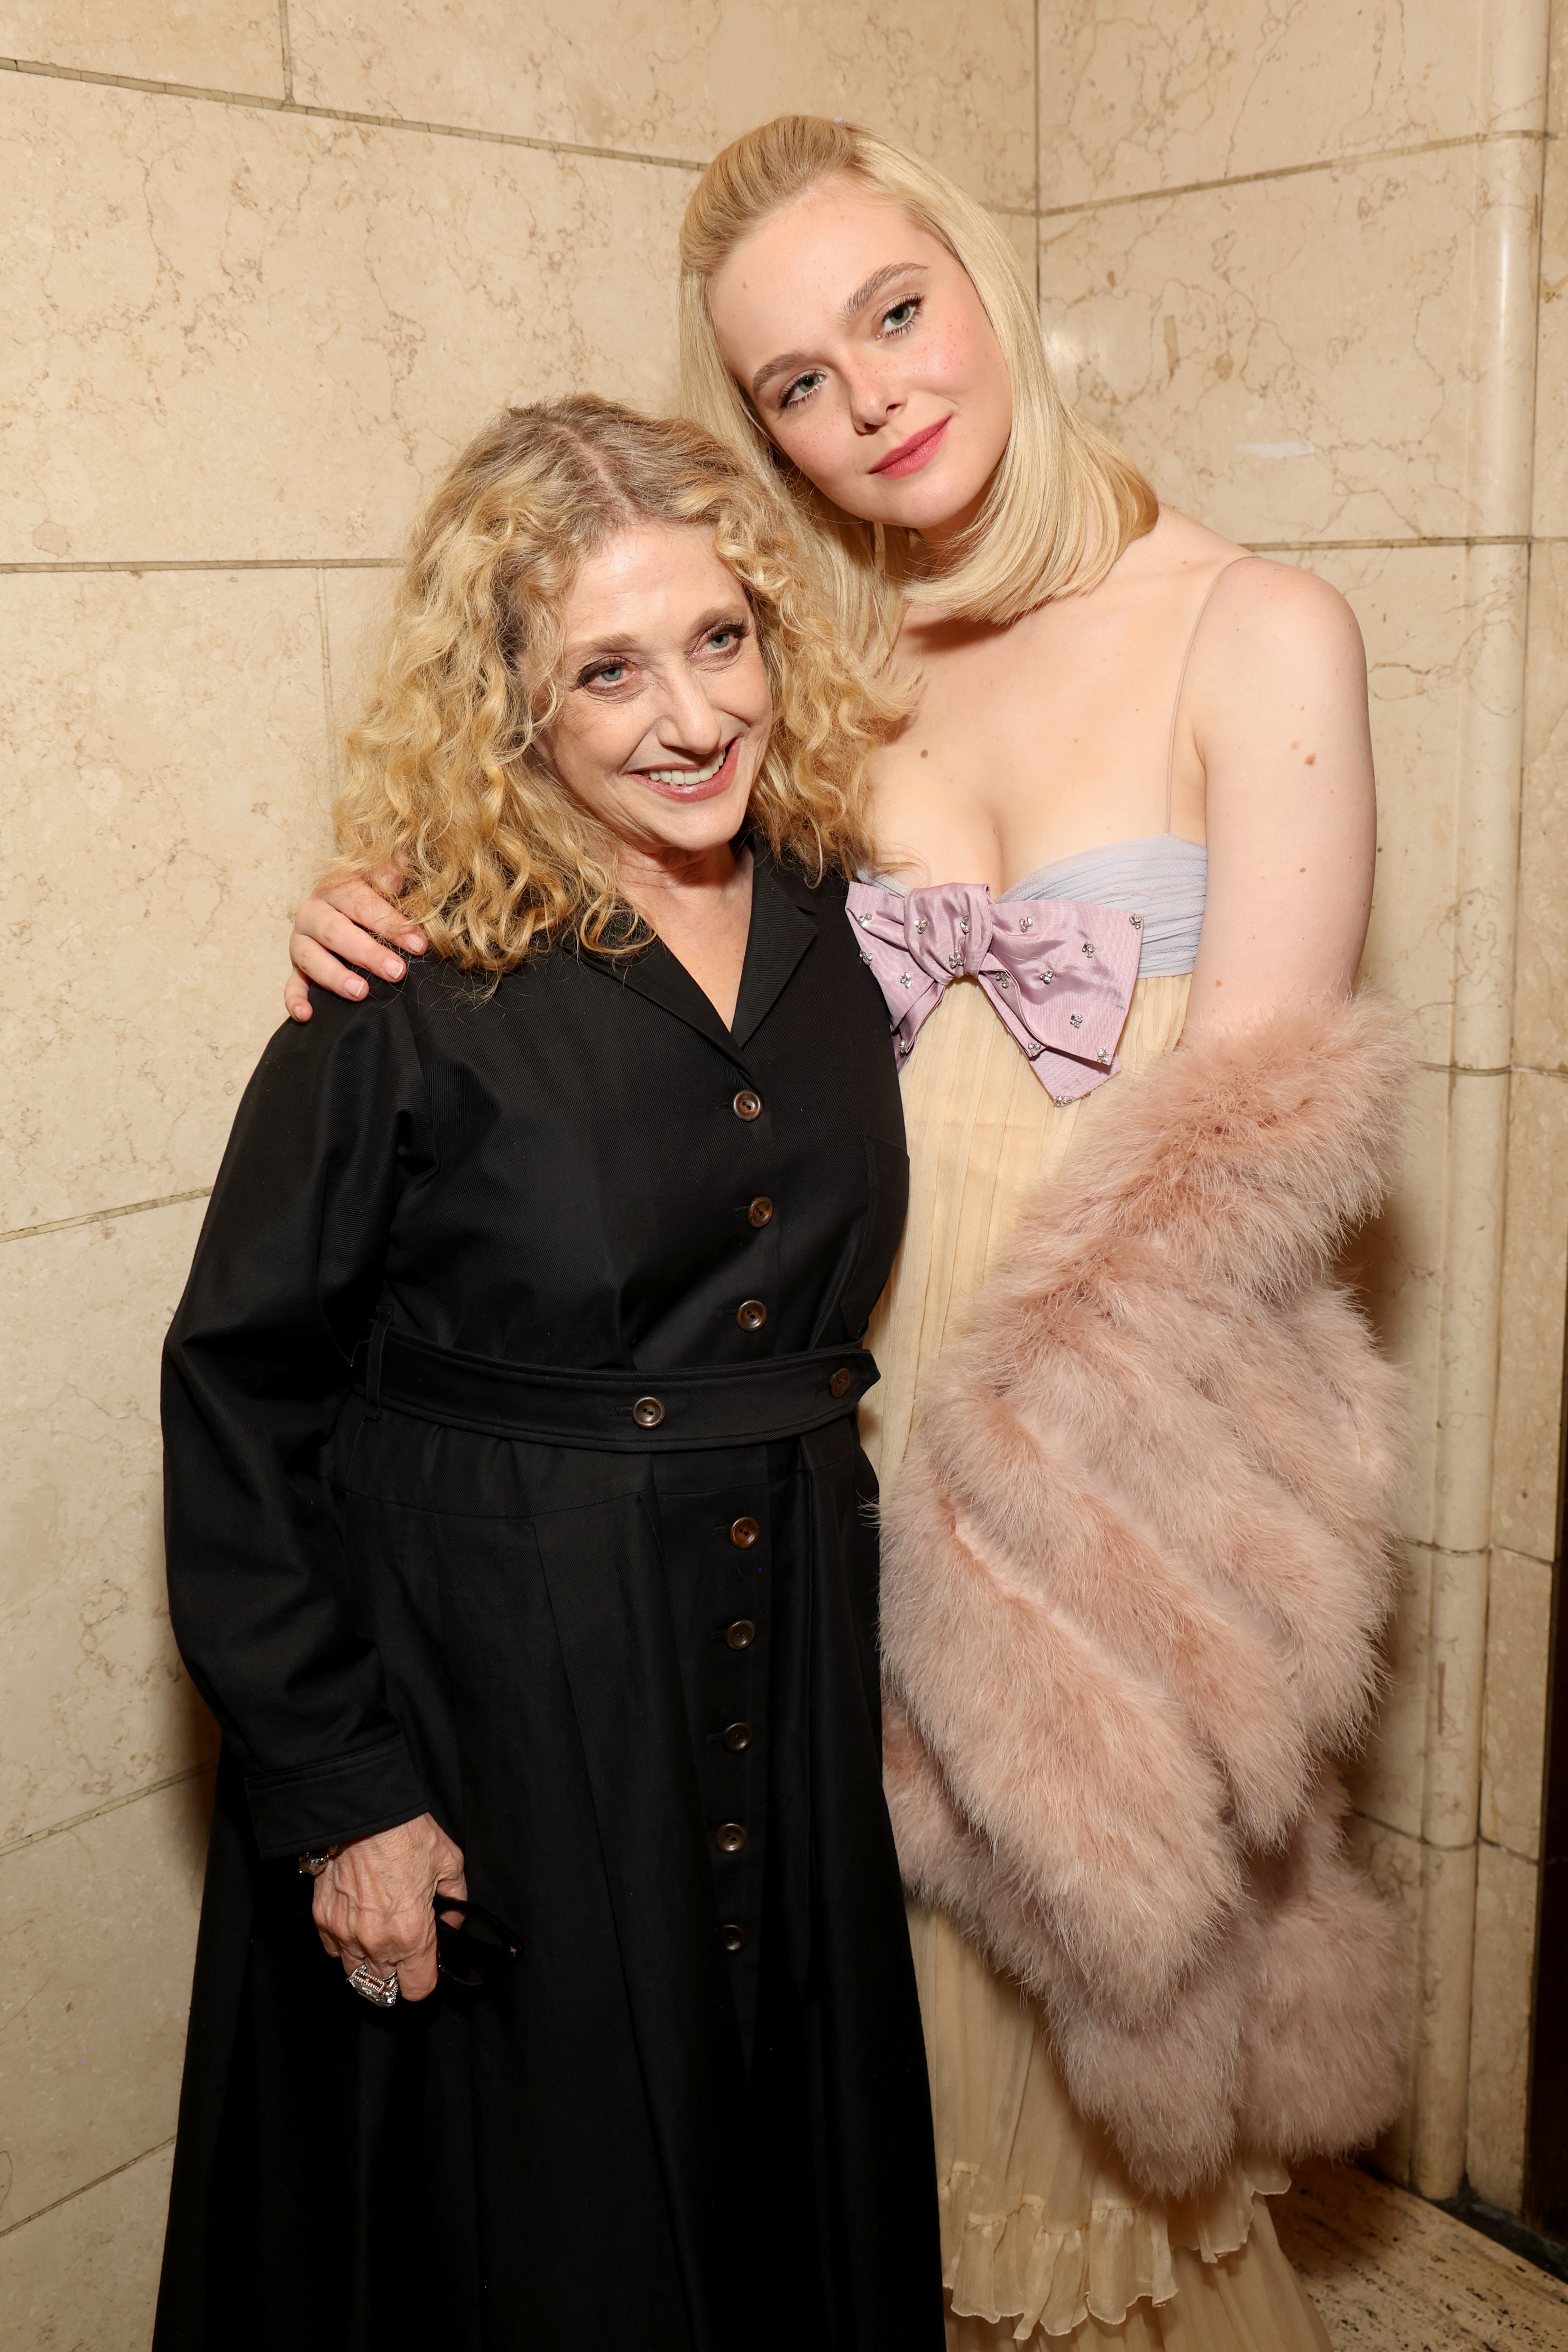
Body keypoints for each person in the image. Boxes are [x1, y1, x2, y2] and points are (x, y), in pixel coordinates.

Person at [282, 120, 1409, 2351]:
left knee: (1083, 2118)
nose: (867, 397)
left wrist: (1011, 1569)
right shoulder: (818, 647)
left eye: (893, 311)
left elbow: (1254, 1161)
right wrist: (375, 908)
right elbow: (610, 847)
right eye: (792, 380)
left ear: (981, 279)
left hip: (1101, 1474)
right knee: (849, 2109)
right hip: (808, 1469)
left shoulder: (1254, 627)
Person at [155, 393, 945, 2352]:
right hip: (505, 1684)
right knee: (541, 2225)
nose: (690, 717)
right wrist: (348, 1795)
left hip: (781, 1633)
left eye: (718, 640)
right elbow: (244, 1392)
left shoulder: (844, 919)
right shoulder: (404, 986)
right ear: (508, 702)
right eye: (606, 670)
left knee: (772, 2175)